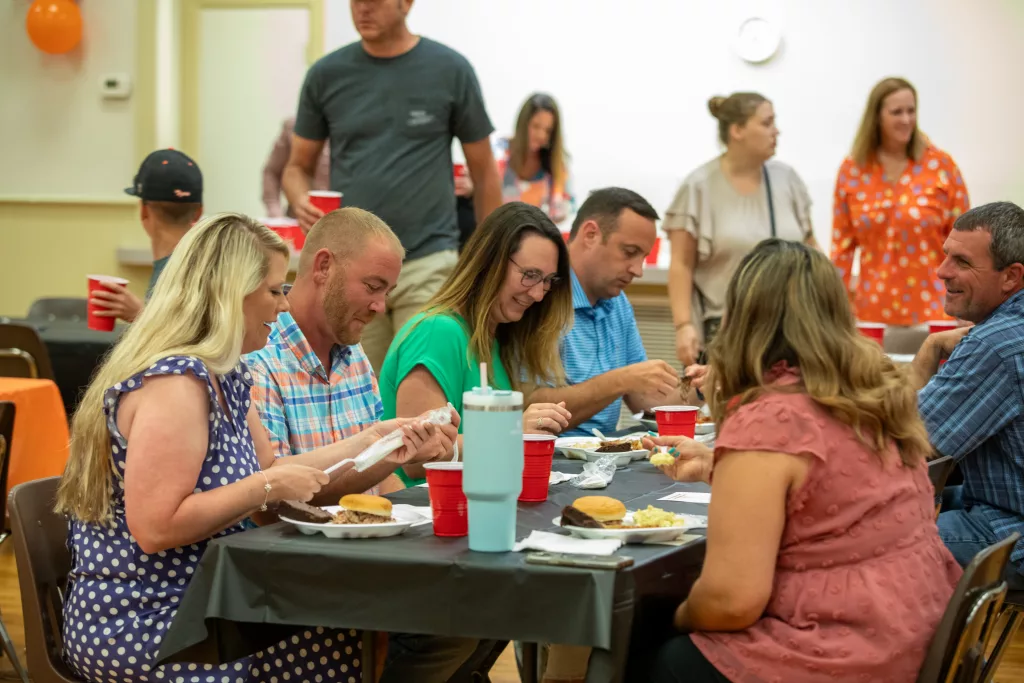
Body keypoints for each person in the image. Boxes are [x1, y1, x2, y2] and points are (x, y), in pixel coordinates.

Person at [54, 213, 456, 683]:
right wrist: (265, 486)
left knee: (341, 641)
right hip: (151, 618)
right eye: (274, 291)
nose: (283, 307)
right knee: (333, 647)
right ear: (230, 293)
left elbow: (274, 465)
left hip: (209, 599)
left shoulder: (226, 373)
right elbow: (156, 528)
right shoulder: (176, 385)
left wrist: (374, 440)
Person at [627, 238, 960, 683]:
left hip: (842, 654)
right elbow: (829, 494)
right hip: (913, 631)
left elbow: (731, 601)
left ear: (741, 319)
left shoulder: (768, 417)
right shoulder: (875, 395)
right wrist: (716, 466)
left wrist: (674, 618)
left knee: (641, 634)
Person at [283, 0, 503, 374]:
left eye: (374, 1)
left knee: (424, 379)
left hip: (427, 259)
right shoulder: (326, 74)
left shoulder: (449, 70)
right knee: (359, 384)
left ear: (406, 3)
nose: (362, 9)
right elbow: (296, 168)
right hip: (351, 267)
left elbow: (484, 173)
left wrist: (491, 261)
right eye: (355, 1)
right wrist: (300, 198)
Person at [379, 201, 575, 488]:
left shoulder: (495, 337)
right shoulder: (438, 331)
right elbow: (417, 459)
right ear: (489, 262)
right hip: (422, 506)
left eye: (547, 280)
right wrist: (511, 433)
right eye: (530, 275)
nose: (538, 294)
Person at [246, 207, 421, 498]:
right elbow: (272, 499)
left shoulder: (353, 353)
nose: (380, 307)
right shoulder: (258, 356)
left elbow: (377, 480)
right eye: (372, 286)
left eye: (387, 292)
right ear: (324, 266)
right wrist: (381, 446)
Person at [911, 201, 1024, 587]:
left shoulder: (995, 344)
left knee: (876, 544)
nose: (942, 271)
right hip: (1002, 504)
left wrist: (928, 351)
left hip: (1011, 530)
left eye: (961, 261)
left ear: (1011, 276)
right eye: (946, 256)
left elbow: (907, 441)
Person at [664, 92, 814, 366]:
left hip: (794, 328)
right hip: (728, 330)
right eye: (767, 123)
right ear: (737, 131)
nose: (776, 131)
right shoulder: (699, 186)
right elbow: (681, 264)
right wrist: (684, 326)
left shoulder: (787, 179)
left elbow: (811, 248)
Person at [526, 187, 684, 438]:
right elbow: (531, 408)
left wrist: (699, 389)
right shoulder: (540, 295)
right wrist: (621, 380)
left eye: (643, 257)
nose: (638, 270)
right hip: (551, 454)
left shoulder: (617, 302)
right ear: (590, 234)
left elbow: (646, 403)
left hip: (605, 454)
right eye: (630, 252)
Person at [832, 77, 970, 354]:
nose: (906, 119)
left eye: (911, 110)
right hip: (871, 316)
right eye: (897, 112)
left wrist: (969, 305)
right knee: (876, 381)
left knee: (935, 381)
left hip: (937, 311)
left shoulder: (941, 165)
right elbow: (841, 251)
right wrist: (833, 311)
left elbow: (965, 243)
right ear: (876, 117)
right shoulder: (852, 170)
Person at [90, 149, 204, 323]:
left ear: (144, 211)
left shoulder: (179, 271)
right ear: (198, 212)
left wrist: (140, 315)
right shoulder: (208, 262)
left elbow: (191, 336)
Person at [492, 93, 573, 222]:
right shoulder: (498, 152)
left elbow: (566, 209)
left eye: (548, 130)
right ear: (523, 124)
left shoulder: (558, 168)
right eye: (536, 126)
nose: (541, 135)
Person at [262, 117, 331, 218]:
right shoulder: (294, 126)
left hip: (341, 220)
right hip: (298, 219)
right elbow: (272, 172)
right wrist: (276, 214)